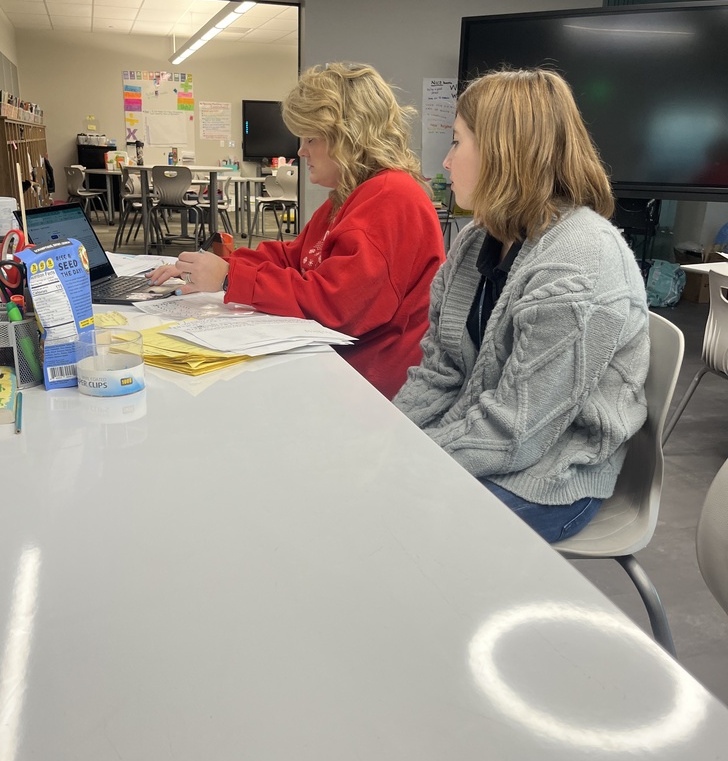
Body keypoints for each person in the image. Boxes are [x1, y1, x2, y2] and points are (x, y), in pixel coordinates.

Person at [393, 68, 650, 543]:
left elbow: (519, 431)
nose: (445, 163)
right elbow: (439, 371)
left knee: (395, 524)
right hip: (489, 446)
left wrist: (411, 460)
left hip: (552, 476)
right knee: (364, 488)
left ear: (504, 153)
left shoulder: (581, 260)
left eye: (456, 143)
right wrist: (387, 437)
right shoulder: (476, 242)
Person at [149, 62, 445, 399]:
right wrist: (216, 264)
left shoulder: (391, 197)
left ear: (348, 136)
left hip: (372, 389)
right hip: (345, 366)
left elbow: (338, 306)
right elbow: (296, 258)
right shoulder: (352, 195)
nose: (301, 151)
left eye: (310, 138)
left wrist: (231, 279)